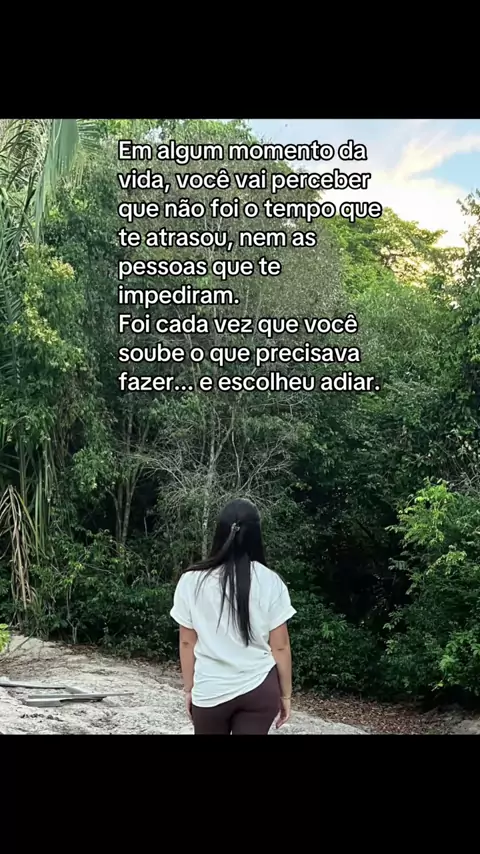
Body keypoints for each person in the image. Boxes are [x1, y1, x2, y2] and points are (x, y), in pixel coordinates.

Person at [170, 498, 296, 735]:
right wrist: (285, 696)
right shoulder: (271, 582)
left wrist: (189, 689)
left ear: (220, 532)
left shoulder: (191, 581)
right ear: (256, 535)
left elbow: (187, 642)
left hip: (211, 690)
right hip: (259, 688)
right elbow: (280, 647)